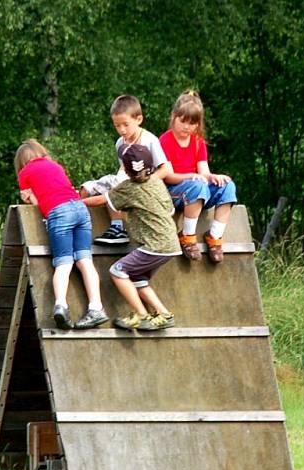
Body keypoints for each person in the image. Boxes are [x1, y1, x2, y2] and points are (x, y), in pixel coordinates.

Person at [14, 138, 108, 330]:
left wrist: (30, 197)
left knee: (64, 263)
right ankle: (96, 307)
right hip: (81, 209)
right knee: (84, 261)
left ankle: (61, 305)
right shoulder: (55, 166)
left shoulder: (24, 173)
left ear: (21, 162)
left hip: (59, 212)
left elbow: (38, 204)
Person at [105, 144, 180, 330]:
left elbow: (104, 200)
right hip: (171, 244)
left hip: (154, 246)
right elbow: (170, 209)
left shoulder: (128, 188)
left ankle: (141, 315)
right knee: (138, 277)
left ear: (125, 169)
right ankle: (164, 314)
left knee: (117, 271)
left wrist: (76, 201)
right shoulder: (157, 183)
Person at [159, 90, 238, 263]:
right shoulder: (164, 141)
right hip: (174, 191)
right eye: (183, 121)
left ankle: (214, 237)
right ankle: (187, 235)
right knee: (197, 185)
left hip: (197, 189)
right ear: (173, 117)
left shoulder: (197, 142)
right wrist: (191, 176)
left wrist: (213, 177)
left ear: (198, 124)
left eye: (192, 123)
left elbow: (204, 172)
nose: (187, 127)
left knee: (228, 186)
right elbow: (168, 176)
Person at [82, 95, 169, 245]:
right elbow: (123, 168)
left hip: (144, 183)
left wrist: (145, 181)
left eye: (125, 125)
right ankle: (79, 224)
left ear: (138, 120)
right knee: (87, 187)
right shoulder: (119, 143)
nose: (122, 130)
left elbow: (166, 169)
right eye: (117, 126)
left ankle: (118, 228)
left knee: (116, 187)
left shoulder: (149, 140)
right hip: (125, 178)